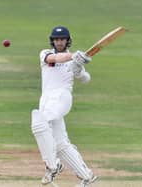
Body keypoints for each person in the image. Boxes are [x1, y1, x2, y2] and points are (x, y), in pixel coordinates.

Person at [31, 26, 97, 187]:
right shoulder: (45, 53)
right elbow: (54, 59)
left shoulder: (75, 60)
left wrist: (78, 67)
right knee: (60, 143)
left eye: (62, 39)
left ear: (68, 40)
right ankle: (86, 176)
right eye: (56, 39)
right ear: (52, 41)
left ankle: (52, 166)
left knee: (38, 122)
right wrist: (72, 56)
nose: (59, 42)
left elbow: (85, 78)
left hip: (62, 98)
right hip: (46, 99)